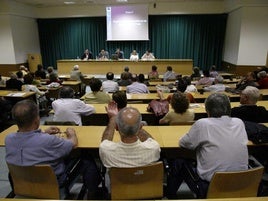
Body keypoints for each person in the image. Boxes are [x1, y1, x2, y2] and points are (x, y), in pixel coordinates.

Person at [5, 99, 101, 199]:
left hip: (23, 182)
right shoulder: (49, 141)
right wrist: (71, 132)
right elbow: (73, 143)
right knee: (86, 158)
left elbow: (29, 139)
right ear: (36, 120)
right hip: (54, 183)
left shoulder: (8, 139)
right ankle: (92, 194)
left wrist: (43, 133)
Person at [166, 93, 248, 199]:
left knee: (179, 162)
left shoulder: (203, 124)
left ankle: (169, 195)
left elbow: (183, 143)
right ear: (229, 108)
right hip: (244, 183)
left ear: (207, 110)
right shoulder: (239, 122)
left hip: (211, 186)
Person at [99, 103, 161, 190]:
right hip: (145, 191)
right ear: (140, 127)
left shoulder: (106, 150)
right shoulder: (153, 148)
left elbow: (105, 141)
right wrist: (135, 127)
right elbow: (150, 140)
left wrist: (113, 118)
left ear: (116, 127)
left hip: (119, 192)